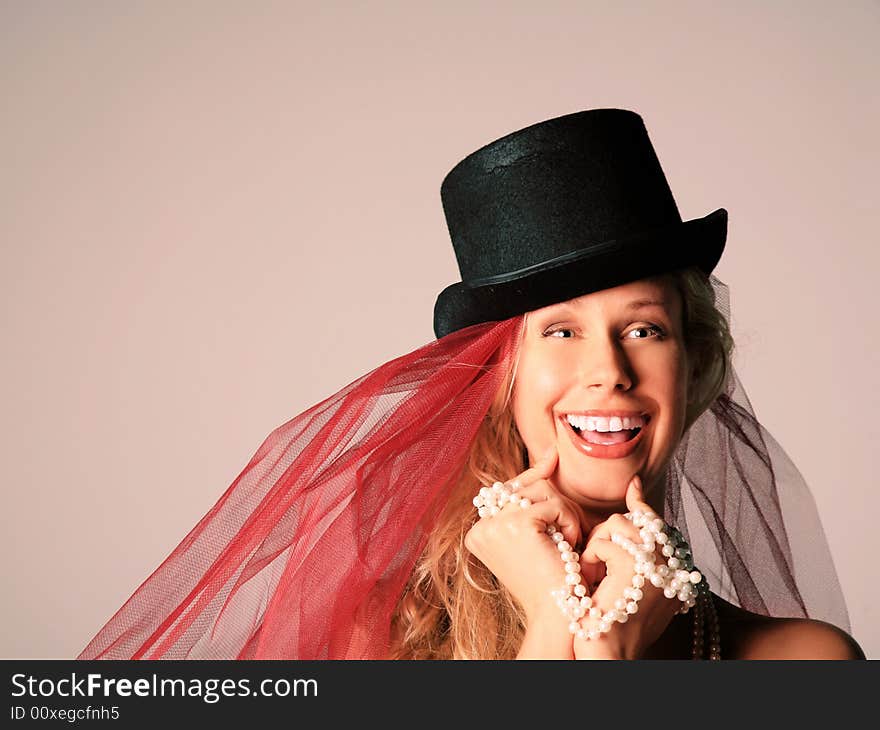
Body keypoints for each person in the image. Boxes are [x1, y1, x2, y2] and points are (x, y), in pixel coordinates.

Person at [78, 108, 863, 660]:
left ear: (691, 365)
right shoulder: (380, 640)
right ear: (499, 377)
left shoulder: (805, 664)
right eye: (560, 330)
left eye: (644, 329)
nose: (610, 371)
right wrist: (562, 626)